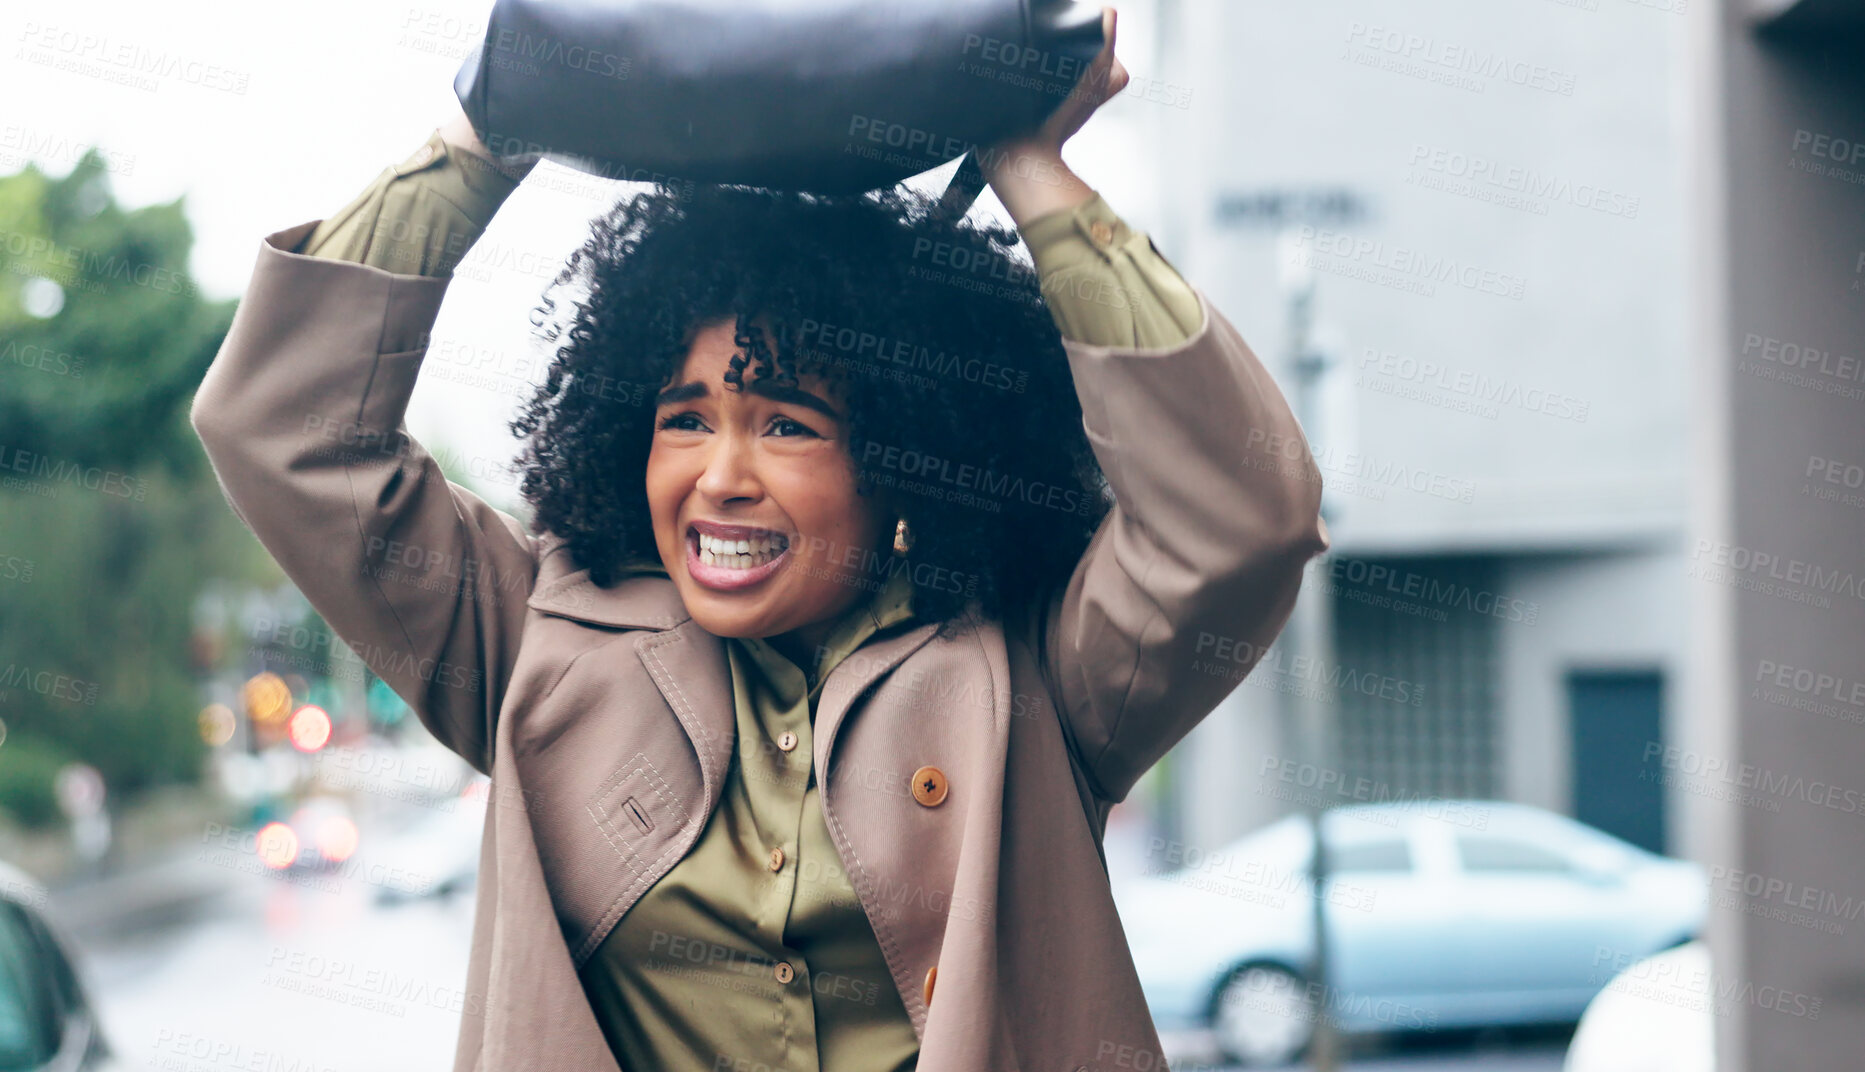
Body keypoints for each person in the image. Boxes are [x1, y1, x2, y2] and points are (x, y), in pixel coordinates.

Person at [189, 8, 1329, 1071]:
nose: (718, 478)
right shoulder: (524, 648)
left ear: (898, 454)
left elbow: (1237, 518)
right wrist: (483, 136)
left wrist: (1030, 167)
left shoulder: (1038, 681)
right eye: (683, 419)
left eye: (785, 422)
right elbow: (284, 430)